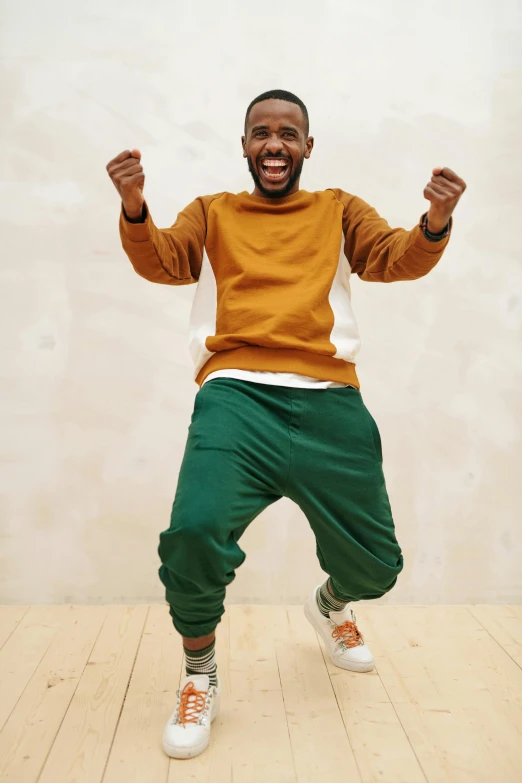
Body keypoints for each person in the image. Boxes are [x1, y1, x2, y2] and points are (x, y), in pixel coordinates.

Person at [106, 89, 466, 760]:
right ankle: (199, 675)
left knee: (379, 566)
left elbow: (393, 257)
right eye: (261, 133)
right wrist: (134, 207)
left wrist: (435, 221)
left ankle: (331, 606)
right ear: (244, 146)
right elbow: (164, 259)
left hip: (330, 401)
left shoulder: (336, 209)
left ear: (307, 145)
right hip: (236, 397)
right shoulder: (212, 212)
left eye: (289, 133)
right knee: (193, 533)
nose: (275, 143)